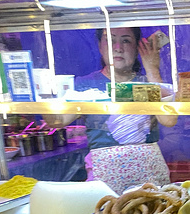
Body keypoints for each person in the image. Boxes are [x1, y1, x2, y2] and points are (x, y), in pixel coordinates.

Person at [48, 27, 176, 193]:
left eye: (126, 40)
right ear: (100, 46)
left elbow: (169, 120)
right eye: (110, 40)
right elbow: (58, 121)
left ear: (137, 48)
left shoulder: (147, 82)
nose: (118, 47)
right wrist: (44, 92)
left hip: (149, 174)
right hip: (105, 176)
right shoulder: (86, 85)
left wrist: (152, 69)